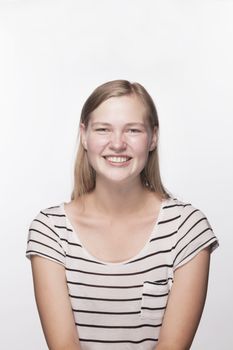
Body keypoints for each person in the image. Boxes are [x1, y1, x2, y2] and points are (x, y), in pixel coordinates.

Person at [26, 79, 219, 350]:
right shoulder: (51, 230)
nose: (117, 144)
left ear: (153, 137)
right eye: (103, 129)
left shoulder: (186, 228)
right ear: (84, 135)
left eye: (133, 130)